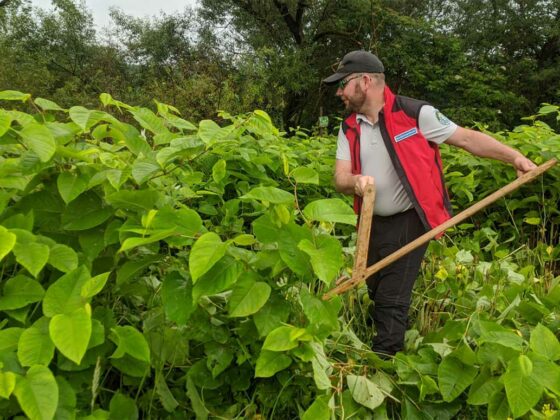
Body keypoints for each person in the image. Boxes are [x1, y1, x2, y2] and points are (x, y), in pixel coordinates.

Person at [323, 50, 536, 357]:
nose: (339, 92)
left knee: (392, 297)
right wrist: (355, 181)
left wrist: (515, 157)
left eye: (343, 84)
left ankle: (385, 363)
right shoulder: (348, 128)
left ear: (365, 81)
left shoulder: (415, 114)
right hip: (371, 222)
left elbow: (467, 139)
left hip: (411, 220)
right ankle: (394, 338)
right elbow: (339, 177)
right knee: (375, 287)